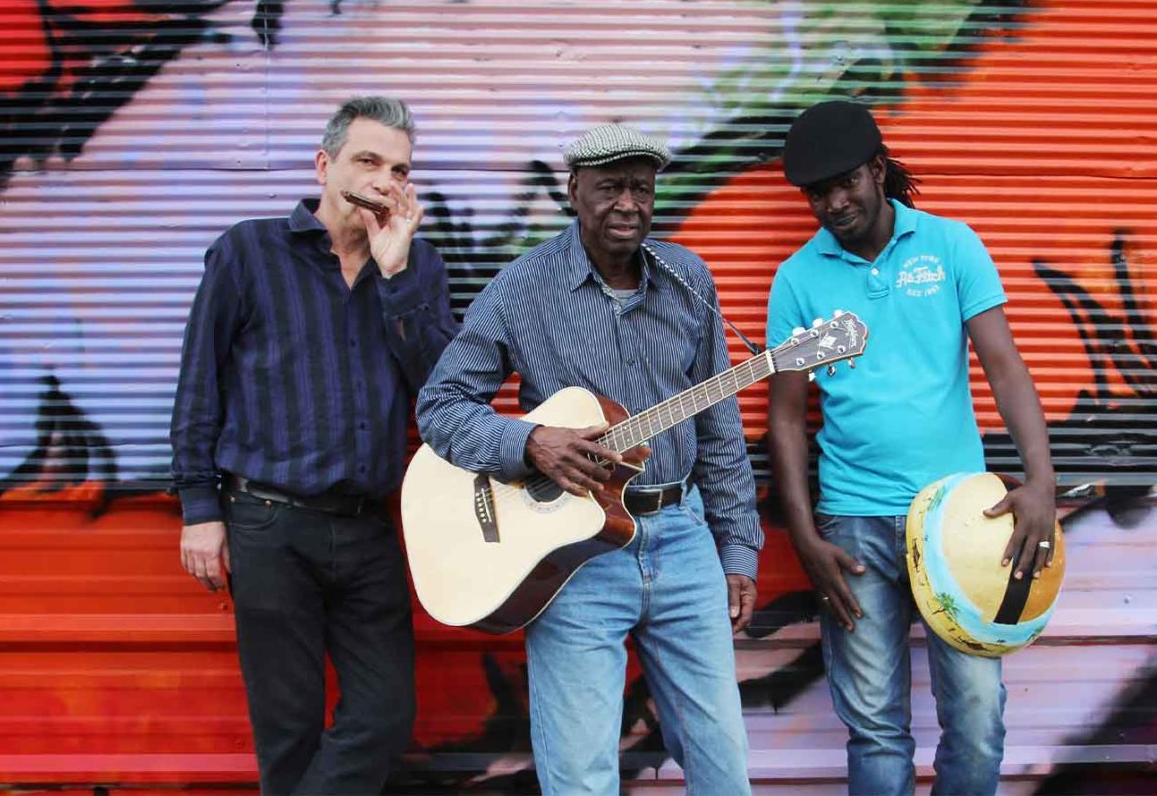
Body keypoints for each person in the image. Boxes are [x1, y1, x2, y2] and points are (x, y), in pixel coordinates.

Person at [415, 124, 760, 795]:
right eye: (609, 188)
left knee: (723, 764)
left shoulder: (689, 280)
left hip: (684, 537)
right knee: (580, 776)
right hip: (575, 552)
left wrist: (738, 548)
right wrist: (527, 442)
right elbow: (441, 402)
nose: (628, 204)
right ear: (575, 191)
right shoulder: (522, 288)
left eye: (641, 188)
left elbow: (719, 425)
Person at [765, 100, 1058, 796]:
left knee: (979, 715)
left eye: (846, 183)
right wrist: (804, 535)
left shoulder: (950, 246)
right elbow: (785, 416)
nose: (834, 202)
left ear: (877, 170)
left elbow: (1005, 365)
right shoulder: (798, 280)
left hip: (961, 519)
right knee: (875, 728)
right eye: (817, 192)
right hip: (853, 526)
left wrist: (1042, 483)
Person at [169, 96, 457, 795]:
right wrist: (198, 509)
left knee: (386, 715)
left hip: (367, 529)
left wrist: (395, 277)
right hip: (269, 523)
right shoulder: (248, 252)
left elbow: (442, 389)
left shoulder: (417, 268)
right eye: (367, 160)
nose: (383, 180)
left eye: (399, 168)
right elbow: (197, 383)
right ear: (325, 165)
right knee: (288, 728)